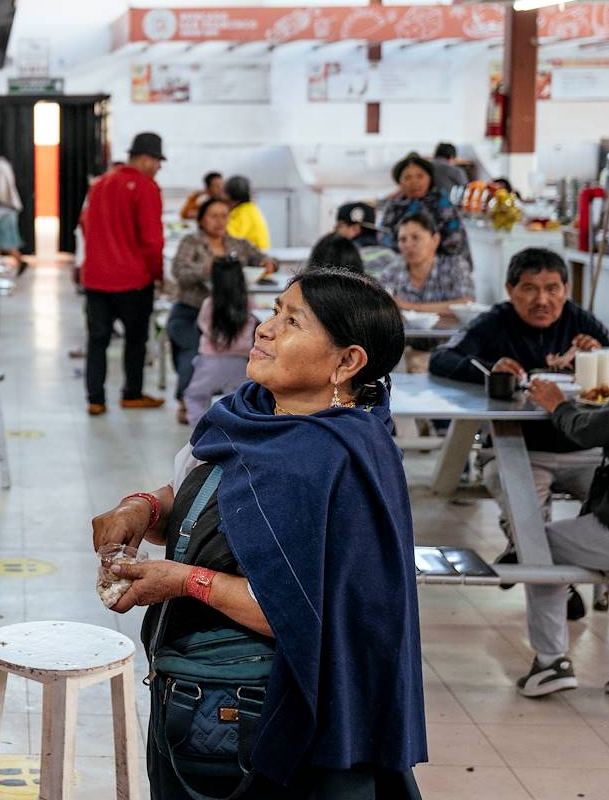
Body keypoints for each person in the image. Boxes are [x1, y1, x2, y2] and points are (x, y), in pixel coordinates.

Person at [92, 269, 424, 797]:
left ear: (347, 362)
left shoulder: (340, 462)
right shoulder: (247, 414)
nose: (265, 328)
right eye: (274, 311)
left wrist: (183, 581)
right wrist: (143, 507)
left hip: (263, 713)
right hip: (192, 692)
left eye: (292, 321)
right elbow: (203, 490)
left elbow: (298, 611)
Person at [430, 248, 609, 615]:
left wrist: (600, 357)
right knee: (523, 504)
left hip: (584, 451)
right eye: (529, 289)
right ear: (510, 289)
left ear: (566, 289)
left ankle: (531, 555)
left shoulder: (582, 325)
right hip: (520, 450)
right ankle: (560, 584)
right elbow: (442, 358)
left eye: (552, 289)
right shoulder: (494, 322)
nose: (542, 300)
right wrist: (487, 369)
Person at [516, 258, 609, 698]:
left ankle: (550, 660)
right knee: (604, 535)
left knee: (538, 544)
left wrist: (555, 404)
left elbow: (594, 431)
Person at [80, 132, 167, 415]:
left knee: (97, 340)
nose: (159, 168)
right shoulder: (146, 187)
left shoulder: (100, 184)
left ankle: (96, 399)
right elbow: (153, 240)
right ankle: (131, 393)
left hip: (96, 278)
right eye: (157, 161)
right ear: (146, 158)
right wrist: (158, 274)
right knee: (135, 339)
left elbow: (84, 224)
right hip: (133, 280)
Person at [168, 197, 272, 423]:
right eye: (213, 216)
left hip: (231, 310)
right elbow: (179, 271)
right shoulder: (191, 242)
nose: (219, 221)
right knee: (191, 351)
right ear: (202, 218)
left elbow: (261, 256)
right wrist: (210, 269)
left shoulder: (237, 244)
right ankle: (187, 401)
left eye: (224, 215)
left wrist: (266, 262)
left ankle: (233, 405)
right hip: (192, 310)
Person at [182, 257, 256, 428]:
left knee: (195, 396)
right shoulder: (248, 304)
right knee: (237, 402)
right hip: (241, 363)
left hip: (211, 362)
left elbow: (202, 327)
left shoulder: (209, 304)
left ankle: (201, 434)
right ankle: (234, 433)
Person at [378, 152, 470, 264]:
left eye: (420, 176)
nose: (414, 182)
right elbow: (383, 235)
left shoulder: (442, 203)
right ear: (400, 183)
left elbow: (455, 238)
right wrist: (407, 253)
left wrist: (426, 258)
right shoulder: (394, 206)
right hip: (402, 263)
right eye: (407, 177)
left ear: (429, 179)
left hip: (442, 264)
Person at [379, 211, 473, 315]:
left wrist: (410, 307)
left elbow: (466, 304)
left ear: (435, 240)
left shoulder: (455, 266)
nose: (408, 245)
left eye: (416, 237)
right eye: (403, 239)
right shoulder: (390, 273)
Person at [335, 199, 395, 275]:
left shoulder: (344, 258)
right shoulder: (390, 255)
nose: (336, 230)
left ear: (355, 229)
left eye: (339, 226)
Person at [222, 175, 270, 250]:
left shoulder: (244, 212)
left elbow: (227, 236)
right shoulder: (248, 209)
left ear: (231, 197)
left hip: (254, 257)